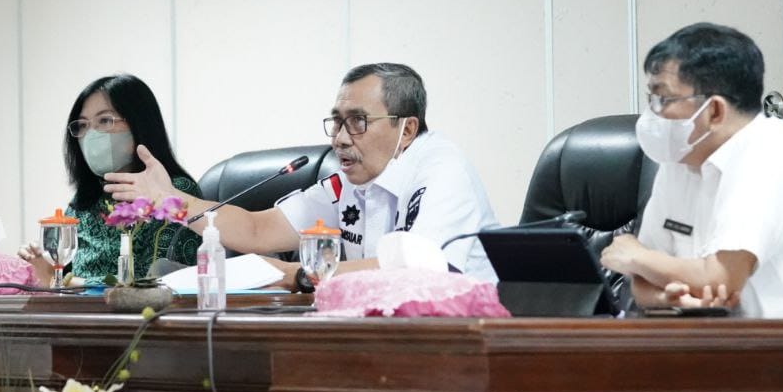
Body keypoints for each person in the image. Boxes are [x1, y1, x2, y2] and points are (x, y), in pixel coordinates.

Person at [105, 63, 501, 287]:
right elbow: (258, 230)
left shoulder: (441, 169)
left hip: (467, 345)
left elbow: (420, 272)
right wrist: (172, 201)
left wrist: (298, 275)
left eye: (358, 122)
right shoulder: (350, 181)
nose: (341, 139)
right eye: (337, 122)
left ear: (407, 129)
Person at [600, 22, 783, 317]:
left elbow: (721, 277)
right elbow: (641, 286)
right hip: (726, 341)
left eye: (664, 99)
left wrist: (637, 256)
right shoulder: (680, 159)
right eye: (652, 98)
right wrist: (669, 295)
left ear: (714, 111)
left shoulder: (773, 150)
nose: (653, 113)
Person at [19, 75, 201, 284]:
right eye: (83, 125)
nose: (91, 135)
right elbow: (56, 274)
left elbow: (152, 284)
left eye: (104, 121)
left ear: (139, 124)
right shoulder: (85, 200)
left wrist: (62, 281)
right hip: (75, 314)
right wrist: (41, 262)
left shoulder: (173, 192)